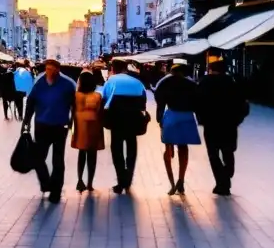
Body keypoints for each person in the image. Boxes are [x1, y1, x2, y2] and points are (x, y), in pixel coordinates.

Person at [22, 59, 76, 204]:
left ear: (58, 70)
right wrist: (26, 121)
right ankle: (46, 183)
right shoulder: (39, 82)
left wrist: (72, 123)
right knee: (39, 158)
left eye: (52, 69)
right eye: (47, 69)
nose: (49, 72)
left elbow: (74, 105)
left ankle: (56, 191)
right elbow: (31, 102)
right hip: (41, 125)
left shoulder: (67, 84)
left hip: (60, 126)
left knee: (58, 160)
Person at [196, 59, 249, 197]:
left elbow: (197, 103)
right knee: (228, 152)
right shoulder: (233, 84)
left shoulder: (204, 83)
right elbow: (244, 105)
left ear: (211, 70)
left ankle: (222, 182)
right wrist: (237, 120)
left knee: (213, 154)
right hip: (229, 125)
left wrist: (201, 119)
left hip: (211, 124)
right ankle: (227, 175)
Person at [154, 61, 201, 196]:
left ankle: (172, 183)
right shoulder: (191, 84)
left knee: (168, 148)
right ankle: (181, 180)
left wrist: (159, 119)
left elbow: (160, 103)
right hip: (187, 117)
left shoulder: (165, 83)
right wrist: (198, 118)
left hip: (171, 115)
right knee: (183, 148)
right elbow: (197, 102)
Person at [102, 58, 148, 194]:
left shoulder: (111, 81)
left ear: (113, 69)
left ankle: (121, 181)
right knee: (131, 148)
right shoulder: (137, 82)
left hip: (117, 119)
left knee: (117, 150)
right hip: (133, 120)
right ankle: (128, 179)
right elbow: (143, 102)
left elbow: (104, 99)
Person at [71, 70, 104, 192]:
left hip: (80, 126)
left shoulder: (75, 95)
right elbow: (101, 113)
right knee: (92, 155)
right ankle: (90, 183)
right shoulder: (98, 96)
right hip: (94, 126)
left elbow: (72, 111)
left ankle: (80, 180)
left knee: (82, 154)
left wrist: (70, 125)